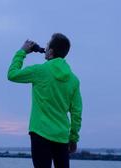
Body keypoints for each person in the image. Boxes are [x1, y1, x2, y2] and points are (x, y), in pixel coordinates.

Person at [7, 33, 82, 168]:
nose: (45, 49)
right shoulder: (73, 80)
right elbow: (76, 112)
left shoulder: (39, 71)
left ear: (51, 52)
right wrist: (73, 138)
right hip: (62, 136)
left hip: (40, 133)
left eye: (47, 46)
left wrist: (22, 52)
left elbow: (12, 74)